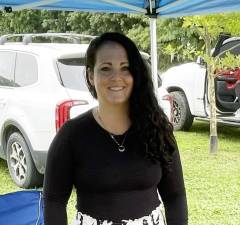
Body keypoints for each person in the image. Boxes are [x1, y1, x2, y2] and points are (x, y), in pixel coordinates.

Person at [43, 32, 188, 225]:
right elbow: (54, 201)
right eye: (105, 68)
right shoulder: (71, 136)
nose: (116, 77)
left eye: (125, 68)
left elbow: (175, 196)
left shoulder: (157, 129)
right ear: (90, 75)